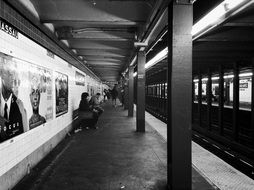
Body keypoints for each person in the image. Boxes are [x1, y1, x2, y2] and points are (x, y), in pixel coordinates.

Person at [0, 55, 27, 142]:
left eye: (13, 72)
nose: (12, 76)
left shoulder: (20, 105)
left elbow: (24, 132)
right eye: (8, 71)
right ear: (1, 74)